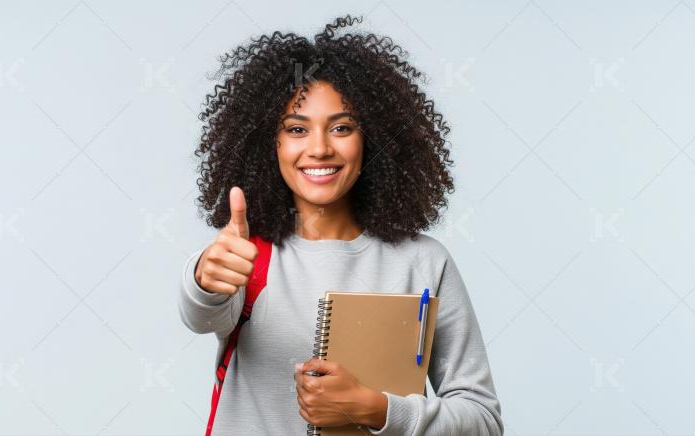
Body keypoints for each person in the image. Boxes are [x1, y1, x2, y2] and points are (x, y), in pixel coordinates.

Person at [178, 14, 503, 436]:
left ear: (373, 138)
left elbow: (483, 421)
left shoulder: (424, 263)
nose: (319, 148)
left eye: (342, 127)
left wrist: (378, 410)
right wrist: (204, 277)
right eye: (296, 129)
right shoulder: (243, 256)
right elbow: (201, 316)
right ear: (267, 143)